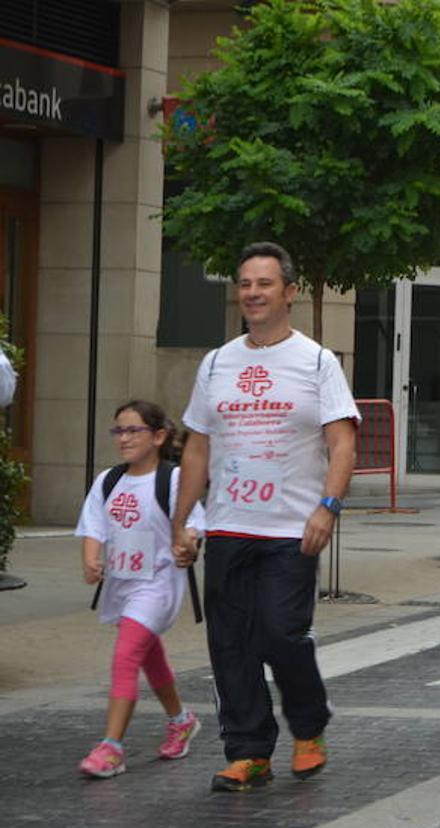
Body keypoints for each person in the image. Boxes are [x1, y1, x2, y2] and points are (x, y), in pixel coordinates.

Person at [172, 242, 360, 792]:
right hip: (229, 523)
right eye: (245, 284)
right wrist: (183, 520)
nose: (252, 293)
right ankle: (249, 750)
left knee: (282, 634)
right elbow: (198, 448)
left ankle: (308, 725)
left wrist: (329, 506)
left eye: (265, 283)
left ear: (290, 292)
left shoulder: (317, 361)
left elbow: (342, 443)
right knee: (229, 644)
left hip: (290, 527)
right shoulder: (217, 362)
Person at [75, 401, 206, 778]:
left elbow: (194, 524)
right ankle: (181, 720)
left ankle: (111, 747)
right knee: (149, 657)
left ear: (158, 436)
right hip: (121, 585)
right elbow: (93, 526)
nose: (124, 438)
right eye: (119, 431)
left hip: (158, 584)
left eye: (134, 430)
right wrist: (91, 559)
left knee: (126, 656)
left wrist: (188, 543)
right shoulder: (108, 480)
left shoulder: (176, 479)